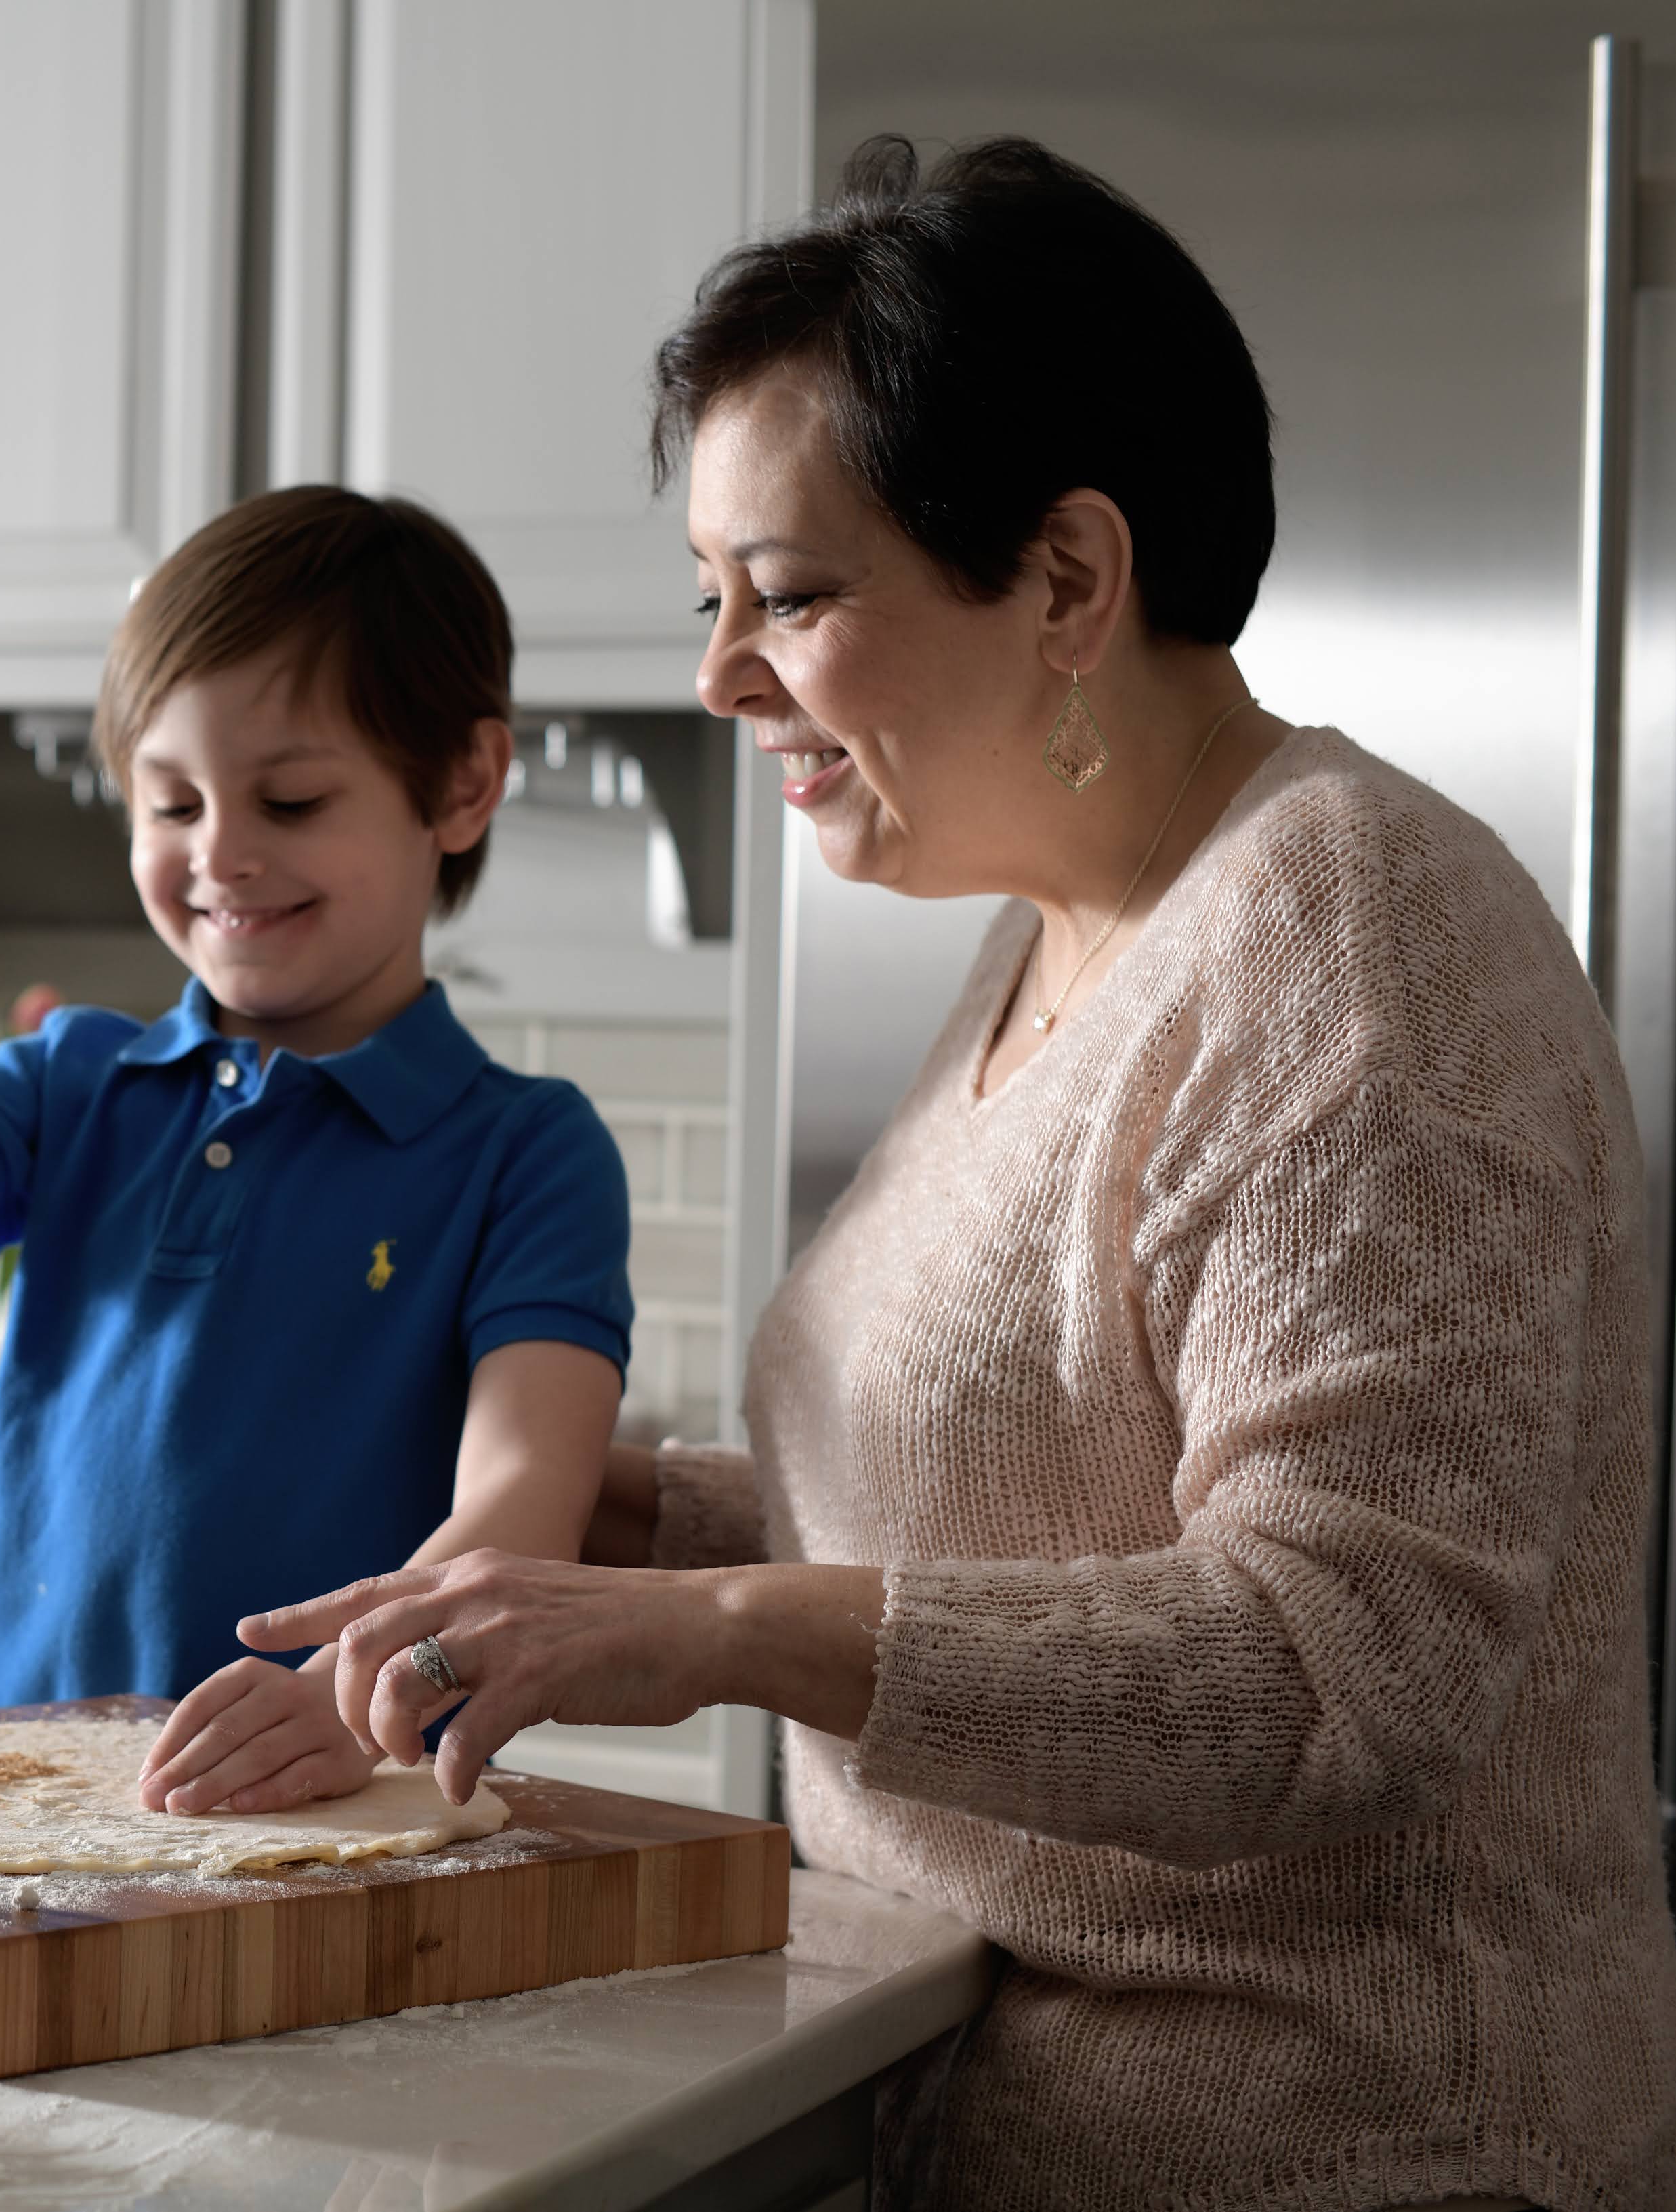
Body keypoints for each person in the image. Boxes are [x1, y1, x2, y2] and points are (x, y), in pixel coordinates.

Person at [243, 138, 1676, 2211]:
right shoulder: (1063, 930)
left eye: (793, 597)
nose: (725, 673)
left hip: (1355, 2156)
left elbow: (1334, 1664)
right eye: (712, 601)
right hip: (994, 2120)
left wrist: (728, 1621)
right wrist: (600, 1521)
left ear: (1071, 582)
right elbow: (1033, 1485)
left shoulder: (1352, 944)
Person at [0, 487, 634, 1819]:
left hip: (325, 1801)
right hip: (6, 1798)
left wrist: (348, 1703)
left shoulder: (528, 1154)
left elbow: (525, 1500)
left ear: (463, 785)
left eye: (290, 800)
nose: (221, 854)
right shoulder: (71, 1087)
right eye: (170, 802)